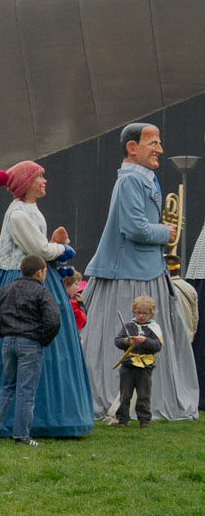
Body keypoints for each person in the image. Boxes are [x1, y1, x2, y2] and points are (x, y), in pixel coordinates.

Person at [82, 123, 199, 422]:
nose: (159, 149)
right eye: (153, 143)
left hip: (146, 268)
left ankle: (141, 402)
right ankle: (128, 402)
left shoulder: (142, 180)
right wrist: (166, 231)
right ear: (132, 147)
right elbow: (134, 228)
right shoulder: (131, 181)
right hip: (130, 272)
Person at [0, 256, 61, 446]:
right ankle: (22, 436)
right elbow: (53, 320)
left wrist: (3, 333)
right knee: (26, 390)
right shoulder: (42, 292)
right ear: (40, 272)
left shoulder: (6, 289)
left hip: (8, 342)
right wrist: (42, 339)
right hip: (30, 342)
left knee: (8, 385)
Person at [111, 295, 165, 428]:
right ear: (133, 312)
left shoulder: (153, 328)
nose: (141, 316)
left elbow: (158, 345)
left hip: (145, 366)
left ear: (151, 313)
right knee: (125, 394)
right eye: (138, 312)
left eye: (145, 313)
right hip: (128, 365)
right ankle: (122, 420)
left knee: (143, 395)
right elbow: (118, 341)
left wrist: (145, 341)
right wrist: (127, 341)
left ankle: (144, 420)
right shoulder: (129, 326)